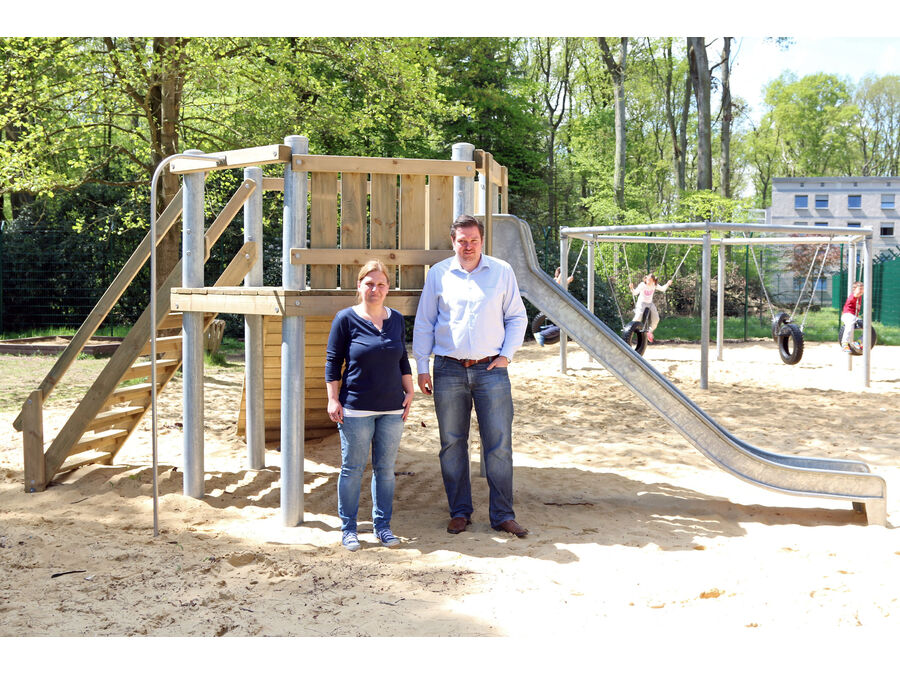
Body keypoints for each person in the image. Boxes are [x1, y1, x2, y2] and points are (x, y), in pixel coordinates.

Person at [413, 214, 529, 538]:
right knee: (451, 444)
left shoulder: (501, 271)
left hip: (491, 369)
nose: (468, 246)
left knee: (499, 444)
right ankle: (460, 511)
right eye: (462, 241)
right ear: (453, 242)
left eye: (473, 241)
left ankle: (502, 515)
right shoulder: (438, 274)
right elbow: (424, 322)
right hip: (447, 369)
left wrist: (506, 355)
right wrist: (421, 366)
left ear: (482, 241)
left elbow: (517, 317)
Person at [325, 260, 414, 551]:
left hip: (392, 408)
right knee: (352, 469)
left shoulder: (396, 319)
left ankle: (383, 527)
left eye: (381, 284)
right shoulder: (345, 319)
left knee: (385, 470)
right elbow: (333, 361)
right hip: (356, 408)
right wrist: (333, 398)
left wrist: (409, 390)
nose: (375, 289)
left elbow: (402, 358)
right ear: (359, 286)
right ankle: (349, 529)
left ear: (388, 288)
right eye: (369, 284)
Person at [535, 267, 574, 347]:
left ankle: (544, 329)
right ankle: (542, 334)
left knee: (558, 324)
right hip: (554, 306)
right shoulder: (555, 280)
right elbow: (558, 284)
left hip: (556, 307)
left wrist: (568, 280)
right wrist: (565, 276)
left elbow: (561, 286)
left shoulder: (559, 282)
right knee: (563, 327)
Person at [628, 273, 672, 343]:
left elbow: (663, 289)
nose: (648, 282)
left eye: (650, 280)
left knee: (656, 319)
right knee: (638, 318)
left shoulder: (654, 285)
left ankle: (649, 332)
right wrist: (631, 288)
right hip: (641, 303)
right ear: (645, 279)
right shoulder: (642, 285)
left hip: (650, 303)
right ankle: (629, 330)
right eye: (648, 280)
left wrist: (668, 284)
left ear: (653, 281)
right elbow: (635, 293)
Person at [840, 281, 864, 353]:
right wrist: (858, 292)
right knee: (850, 323)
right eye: (860, 289)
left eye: (862, 289)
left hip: (854, 317)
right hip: (847, 315)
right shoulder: (853, 296)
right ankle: (844, 343)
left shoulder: (860, 297)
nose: (861, 291)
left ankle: (858, 342)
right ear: (854, 289)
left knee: (868, 328)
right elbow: (856, 294)